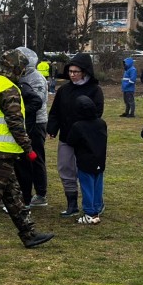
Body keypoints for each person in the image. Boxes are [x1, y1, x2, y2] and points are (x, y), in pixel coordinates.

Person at [0, 50, 54, 250]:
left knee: (13, 196)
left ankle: (28, 233)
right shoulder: (10, 89)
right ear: (17, 68)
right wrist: (29, 149)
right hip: (2, 151)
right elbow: (15, 123)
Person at [47, 53, 104, 217]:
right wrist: (52, 128)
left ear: (85, 72)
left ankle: (94, 202)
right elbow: (55, 111)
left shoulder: (95, 90)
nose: (72, 74)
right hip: (66, 136)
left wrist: (82, 128)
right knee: (65, 167)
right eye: (70, 71)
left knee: (87, 170)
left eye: (76, 71)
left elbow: (97, 112)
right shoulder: (64, 90)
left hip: (86, 139)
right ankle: (71, 204)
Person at [15, 47, 49, 207]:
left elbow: (38, 101)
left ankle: (41, 193)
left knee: (36, 157)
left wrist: (18, 111)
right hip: (24, 122)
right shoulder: (20, 77)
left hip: (36, 123)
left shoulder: (36, 78)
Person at [65, 96, 107, 225]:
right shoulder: (101, 123)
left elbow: (70, 141)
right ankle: (97, 208)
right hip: (99, 160)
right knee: (97, 185)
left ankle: (90, 213)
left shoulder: (78, 126)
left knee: (87, 187)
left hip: (85, 161)